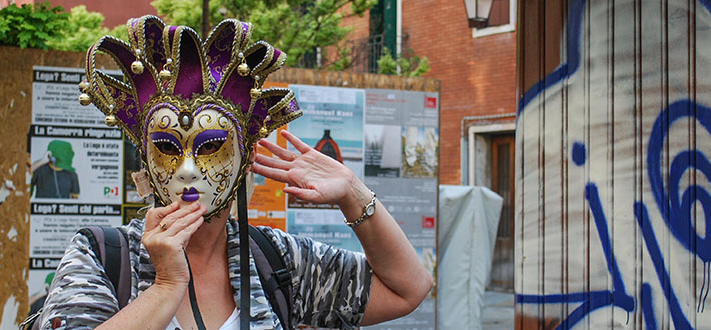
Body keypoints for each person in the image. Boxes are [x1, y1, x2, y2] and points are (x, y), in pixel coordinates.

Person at [38, 16, 431, 330]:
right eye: (167, 148)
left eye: (210, 147)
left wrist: (353, 193)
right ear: (145, 156)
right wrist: (165, 288)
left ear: (245, 157)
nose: (188, 169)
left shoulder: (279, 261)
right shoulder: (102, 257)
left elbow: (408, 290)